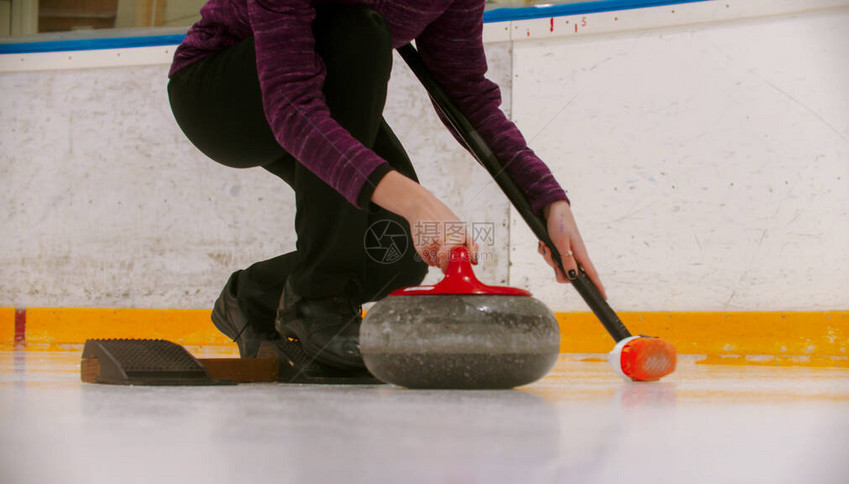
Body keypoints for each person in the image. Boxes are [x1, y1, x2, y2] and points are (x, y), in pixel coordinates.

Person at [167, 0, 605, 372]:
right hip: (220, 94)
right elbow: (290, 105)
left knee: (397, 247)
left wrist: (549, 202)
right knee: (357, 29)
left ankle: (255, 297)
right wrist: (417, 202)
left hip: (317, 96)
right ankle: (315, 301)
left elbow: (467, 97)